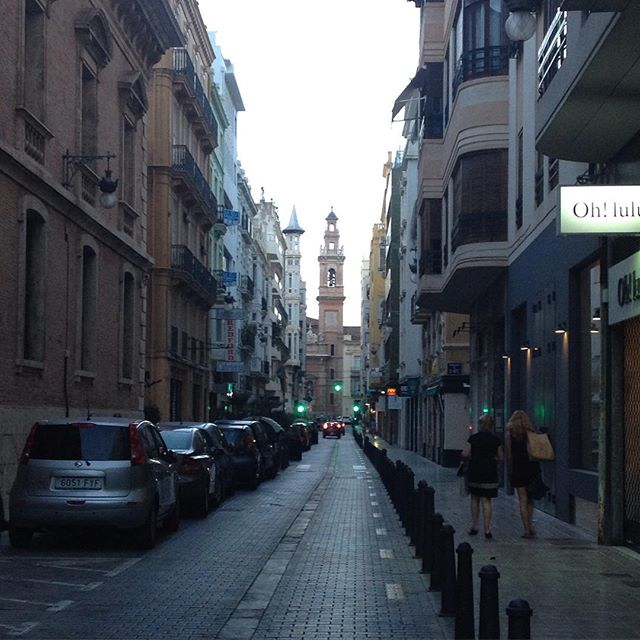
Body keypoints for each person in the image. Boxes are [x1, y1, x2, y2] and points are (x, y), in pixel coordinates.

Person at [462, 414, 503, 539]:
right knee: (487, 500)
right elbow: (501, 457)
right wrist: (494, 459)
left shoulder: (473, 438)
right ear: (491, 425)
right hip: (490, 471)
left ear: (480, 425)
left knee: (475, 498)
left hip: (475, 470)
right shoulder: (495, 440)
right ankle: (487, 529)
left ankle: (475, 526)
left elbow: (465, 453)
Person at [506, 410, 541, 538]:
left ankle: (526, 529)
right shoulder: (530, 433)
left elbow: (509, 454)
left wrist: (510, 468)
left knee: (522, 499)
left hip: (518, 468)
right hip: (531, 467)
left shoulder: (510, 435)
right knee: (530, 499)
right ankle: (530, 526)